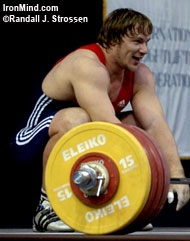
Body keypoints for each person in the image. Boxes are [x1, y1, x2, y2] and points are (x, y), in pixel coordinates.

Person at [10, 8, 189, 232]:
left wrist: (176, 176)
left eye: (147, 42)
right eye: (137, 42)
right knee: (79, 119)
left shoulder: (140, 75)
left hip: (82, 142)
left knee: (137, 125)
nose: (144, 50)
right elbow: (108, 127)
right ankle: (46, 208)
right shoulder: (87, 65)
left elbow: (155, 125)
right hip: (30, 142)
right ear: (114, 39)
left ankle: (116, 207)